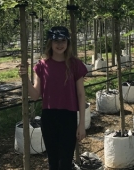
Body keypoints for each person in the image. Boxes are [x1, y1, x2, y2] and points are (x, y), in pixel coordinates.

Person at [19, 26, 88, 170]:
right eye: (56, 40)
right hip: (49, 117)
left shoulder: (75, 64)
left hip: (68, 117)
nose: (60, 44)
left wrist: (81, 123)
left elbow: (81, 95)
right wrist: (24, 78)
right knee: (53, 162)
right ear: (50, 42)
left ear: (68, 42)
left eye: (63, 40)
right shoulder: (42, 66)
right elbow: (35, 95)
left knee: (65, 162)